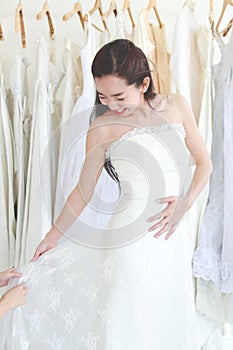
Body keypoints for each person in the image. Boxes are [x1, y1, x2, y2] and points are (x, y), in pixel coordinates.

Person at [0, 39, 212, 349]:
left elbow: (205, 163)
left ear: (144, 84)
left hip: (172, 240)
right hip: (130, 244)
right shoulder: (102, 127)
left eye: (119, 96)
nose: (112, 104)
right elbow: (83, 192)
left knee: (166, 317)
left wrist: (184, 204)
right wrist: (53, 236)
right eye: (103, 96)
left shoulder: (177, 106)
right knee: (129, 319)